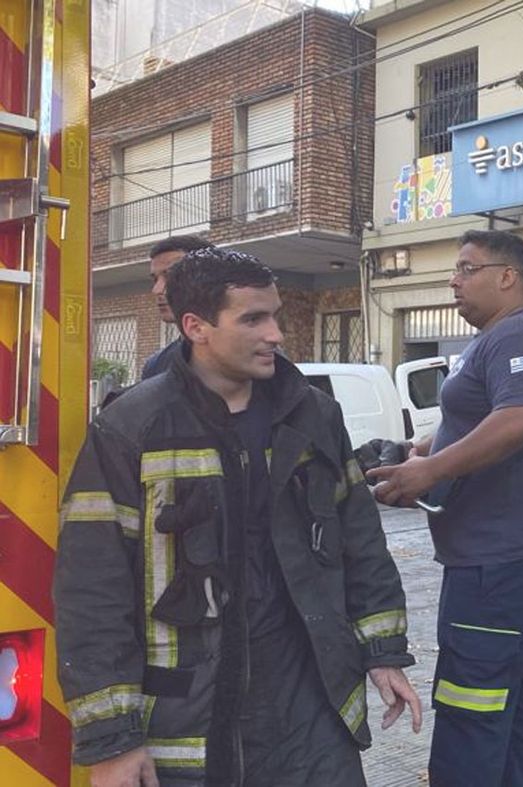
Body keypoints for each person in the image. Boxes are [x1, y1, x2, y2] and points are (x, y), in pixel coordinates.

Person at [55, 248, 422, 787]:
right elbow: (93, 591)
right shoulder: (131, 429)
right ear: (196, 326)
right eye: (253, 318)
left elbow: (360, 541)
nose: (275, 333)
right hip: (193, 718)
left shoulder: (312, 414)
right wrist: (114, 742)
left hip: (311, 705)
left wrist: (383, 653)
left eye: (274, 315)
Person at [368, 230, 523, 787]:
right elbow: (482, 416)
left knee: (473, 702)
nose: (453, 282)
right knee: (519, 693)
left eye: (466, 269)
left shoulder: (519, 338)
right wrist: (426, 450)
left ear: (507, 276)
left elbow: (520, 419)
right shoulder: (492, 341)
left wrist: (430, 472)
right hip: (499, 556)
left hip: (502, 561)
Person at [141, 234, 214, 380]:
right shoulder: (156, 366)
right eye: (155, 279)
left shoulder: (256, 359)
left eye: (171, 276)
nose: (157, 289)